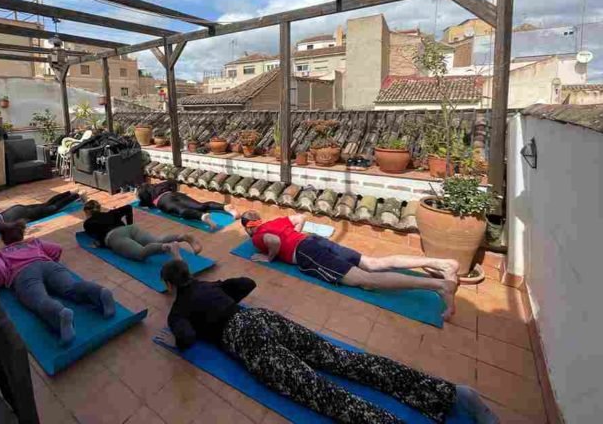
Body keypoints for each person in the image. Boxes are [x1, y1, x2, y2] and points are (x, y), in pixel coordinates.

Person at [156, 248, 498, 424]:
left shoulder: (179, 308)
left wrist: (183, 325)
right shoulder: (208, 285)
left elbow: (185, 339)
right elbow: (246, 285)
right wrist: (222, 294)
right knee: (343, 359)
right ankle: (453, 394)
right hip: (263, 320)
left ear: (170, 286)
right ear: (189, 274)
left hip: (247, 342)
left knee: (322, 392)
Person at [240, 211, 460, 321]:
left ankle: (438, 286)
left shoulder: (257, 236)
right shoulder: (274, 220)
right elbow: (300, 217)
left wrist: (269, 258)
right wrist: (296, 235)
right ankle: (444, 264)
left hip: (307, 253)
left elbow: (274, 242)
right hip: (314, 240)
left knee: (367, 281)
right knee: (374, 263)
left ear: (249, 228)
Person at [0, 220, 115, 346]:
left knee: (39, 299)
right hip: (48, 265)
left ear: (4, 239)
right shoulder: (34, 242)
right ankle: (100, 292)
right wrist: (50, 261)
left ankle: (60, 314)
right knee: (71, 287)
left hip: (24, 274)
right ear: (21, 235)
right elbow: (57, 248)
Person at [81, 200, 203, 261]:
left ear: (87, 212)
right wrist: (129, 225)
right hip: (129, 229)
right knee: (156, 240)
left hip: (114, 237)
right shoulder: (111, 213)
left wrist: (100, 244)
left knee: (141, 253)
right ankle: (183, 237)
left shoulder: (88, 223)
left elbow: (96, 234)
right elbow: (128, 208)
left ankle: (168, 247)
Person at [137, 180, 238, 231]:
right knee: (200, 205)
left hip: (163, 200)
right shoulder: (159, 185)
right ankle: (225, 207)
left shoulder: (144, 192)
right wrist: (172, 191)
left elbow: (143, 203)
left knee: (181, 211)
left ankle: (202, 217)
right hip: (173, 194)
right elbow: (172, 182)